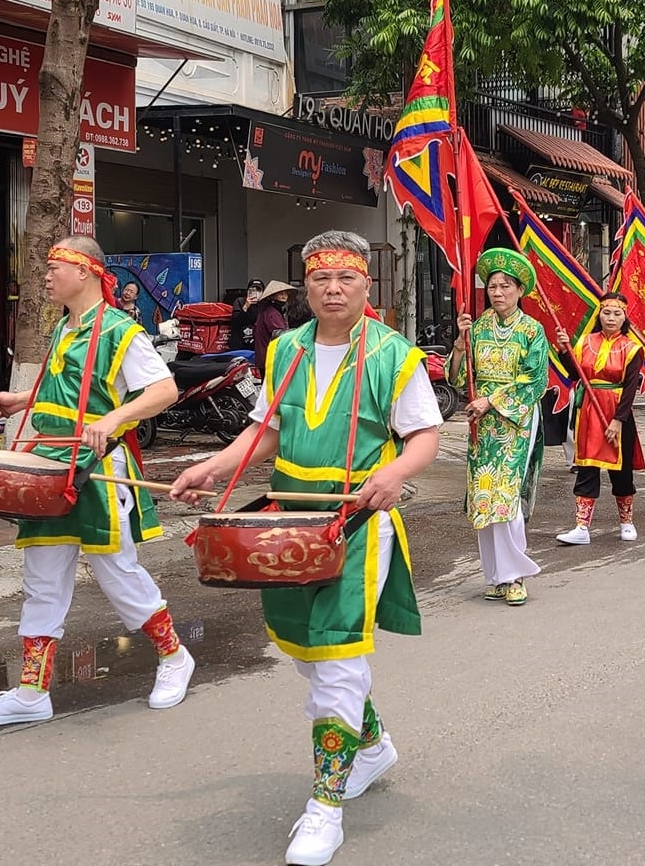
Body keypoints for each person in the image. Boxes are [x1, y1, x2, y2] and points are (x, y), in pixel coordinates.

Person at [169, 229, 442, 866]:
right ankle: (370, 747)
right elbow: (265, 433)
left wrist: (395, 474)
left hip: (355, 521)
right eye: (321, 279)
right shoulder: (286, 349)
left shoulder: (392, 354)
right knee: (307, 654)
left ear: (365, 284)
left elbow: (424, 435)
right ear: (306, 287)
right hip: (287, 521)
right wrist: (214, 466)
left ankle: (326, 804)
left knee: (338, 656)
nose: (333, 289)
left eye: (345, 278)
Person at [0, 237, 187, 728]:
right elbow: (62, 388)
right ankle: (31, 691)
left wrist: (113, 421)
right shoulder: (63, 328)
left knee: (117, 572)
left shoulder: (119, 329)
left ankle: (174, 657)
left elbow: (165, 389)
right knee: (41, 578)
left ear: (85, 270)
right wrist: (20, 401)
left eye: (53, 266)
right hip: (49, 460)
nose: (44, 275)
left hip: (98, 468)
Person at [450, 249, 548, 606]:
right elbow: (459, 376)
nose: (498, 292)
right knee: (484, 495)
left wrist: (491, 401)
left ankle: (516, 574)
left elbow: (535, 380)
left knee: (505, 497)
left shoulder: (531, 330)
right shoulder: (477, 327)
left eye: (506, 286)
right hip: (482, 422)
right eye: (492, 286)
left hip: (514, 421)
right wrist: (460, 345)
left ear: (520, 290)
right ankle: (494, 576)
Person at [555, 292, 645, 545]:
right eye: (607, 312)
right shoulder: (585, 341)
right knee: (587, 468)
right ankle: (581, 527)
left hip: (618, 413)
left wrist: (618, 420)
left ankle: (626, 521)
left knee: (622, 471)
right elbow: (575, 374)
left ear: (625, 317)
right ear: (599, 314)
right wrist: (564, 351)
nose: (611, 318)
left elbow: (630, 388)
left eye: (617, 313)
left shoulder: (632, 347)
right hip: (589, 412)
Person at [252, 280, 294, 358]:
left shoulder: (270, 310)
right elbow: (280, 334)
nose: (284, 296)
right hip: (268, 357)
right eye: (281, 294)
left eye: (286, 294)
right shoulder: (272, 313)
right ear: (272, 296)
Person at [228, 277, 266, 351]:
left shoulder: (265, 305)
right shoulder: (240, 301)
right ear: (248, 291)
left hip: (257, 343)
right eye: (252, 290)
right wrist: (246, 306)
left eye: (258, 290)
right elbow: (234, 322)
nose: (256, 293)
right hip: (240, 343)